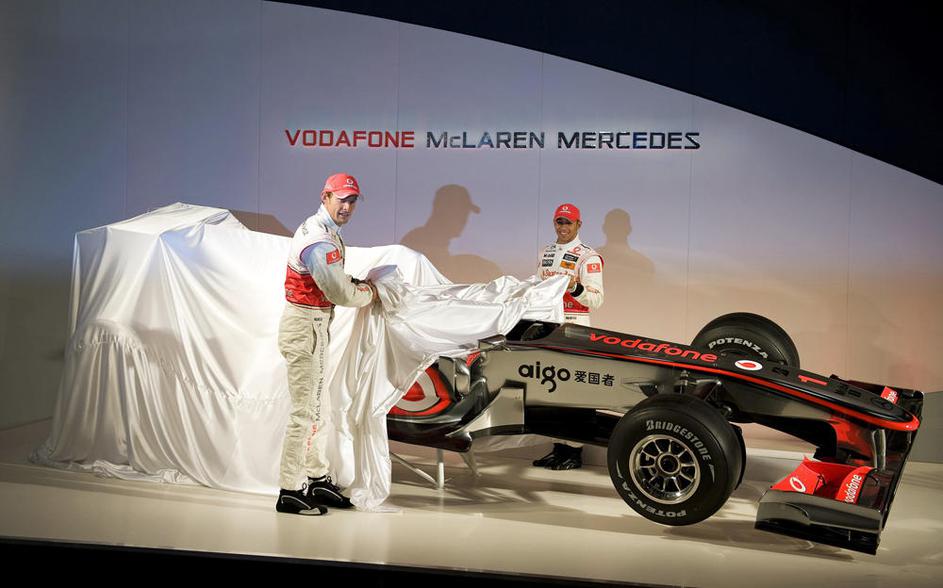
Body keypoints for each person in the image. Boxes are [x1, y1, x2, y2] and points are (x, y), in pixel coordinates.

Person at [275, 172, 378, 515]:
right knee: (305, 412)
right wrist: (370, 293)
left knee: (318, 408)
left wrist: (354, 283)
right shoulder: (319, 240)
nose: (347, 206)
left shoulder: (327, 230)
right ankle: (290, 489)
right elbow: (338, 292)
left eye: (352, 201)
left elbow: (334, 282)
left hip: (314, 325)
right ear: (325, 197)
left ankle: (316, 478)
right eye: (341, 199)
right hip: (305, 327)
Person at [532, 203, 605, 470]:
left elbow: (597, 299)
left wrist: (575, 287)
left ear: (578, 225)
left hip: (575, 327)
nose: (563, 227)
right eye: (559, 222)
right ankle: (557, 448)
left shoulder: (589, 257)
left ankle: (574, 452)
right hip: (548, 326)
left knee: (574, 390)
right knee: (550, 388)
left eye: (568, 223)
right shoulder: (546, 252)